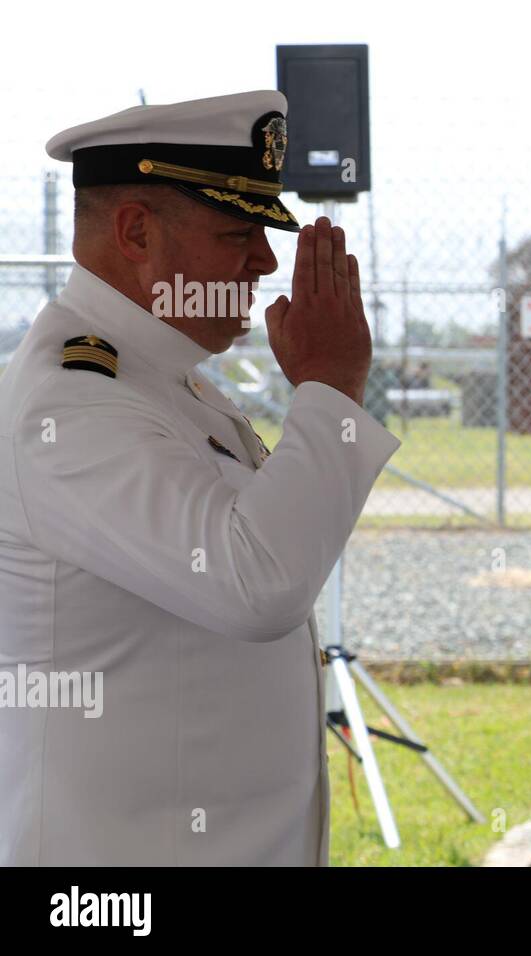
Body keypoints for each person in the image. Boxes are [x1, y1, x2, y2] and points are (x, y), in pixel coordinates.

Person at [0, 91, 401, 865]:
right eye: (236, 230)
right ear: (136, 232)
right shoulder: (77, 401)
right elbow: (256, 584)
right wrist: (331, 388)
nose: (265, 259)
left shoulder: (168, 384)